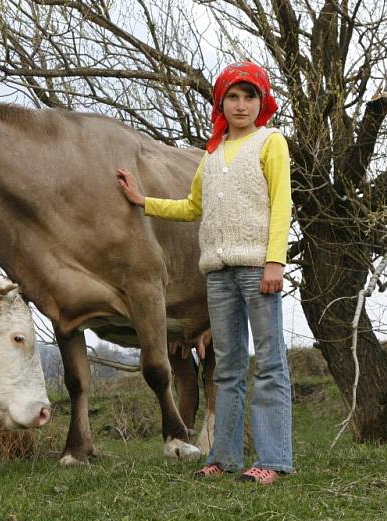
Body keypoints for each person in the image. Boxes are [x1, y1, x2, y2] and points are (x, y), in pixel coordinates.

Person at [117, 61, 293, 484]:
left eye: (250, 96)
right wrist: (143, 201)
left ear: (261, 101)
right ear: (221, 102)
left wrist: (274, 261)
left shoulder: (271, 143)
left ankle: (273, 460)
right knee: (228, 368)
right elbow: (192, 208)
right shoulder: (211, 154)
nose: (241, 104)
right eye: (233, 96)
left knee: (269, 364)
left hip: (257, 268)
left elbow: (282, 204)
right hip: (216, 273)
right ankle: (226, 456)